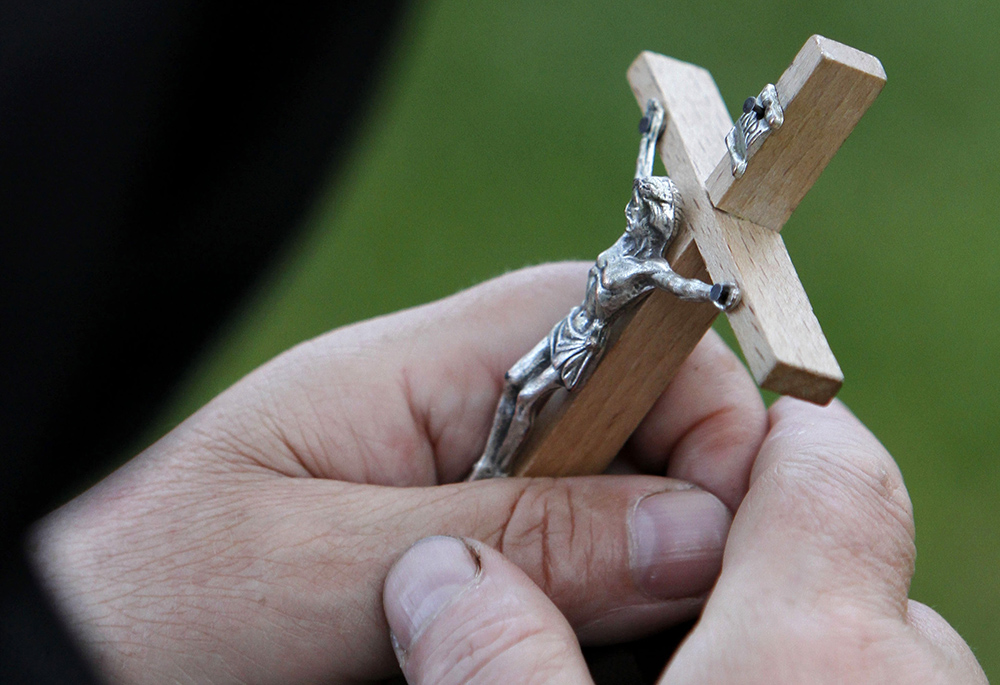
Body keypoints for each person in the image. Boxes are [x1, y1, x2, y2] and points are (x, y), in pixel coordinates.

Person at [29, 263, 986, 683]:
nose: (652, 221)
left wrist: (61, 622)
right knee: (517, 409)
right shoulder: (630, 260)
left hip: (575, 353)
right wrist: (86, 609)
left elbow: (675, 276)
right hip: (562, 353)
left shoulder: (650, 271)